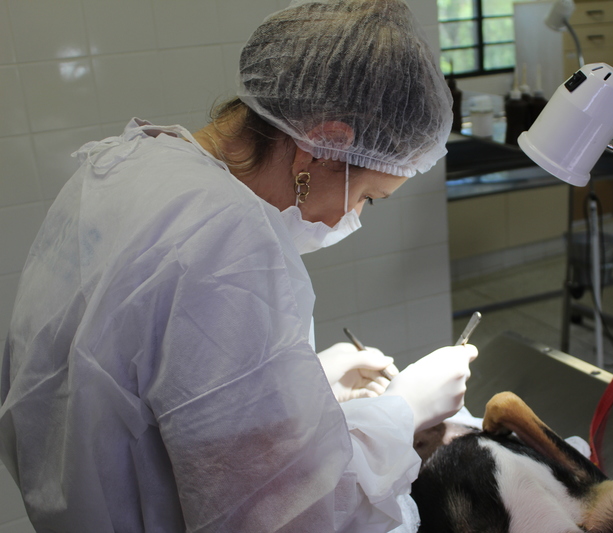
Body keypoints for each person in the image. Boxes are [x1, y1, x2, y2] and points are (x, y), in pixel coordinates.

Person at [0, 0, 478, 532]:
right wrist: (402, 412)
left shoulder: (127, 164)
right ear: (324, 145)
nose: (356, 217)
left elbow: (126, 386)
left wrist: (297, 385)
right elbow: (288, 513)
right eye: (370, 196)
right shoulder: (226, 241)